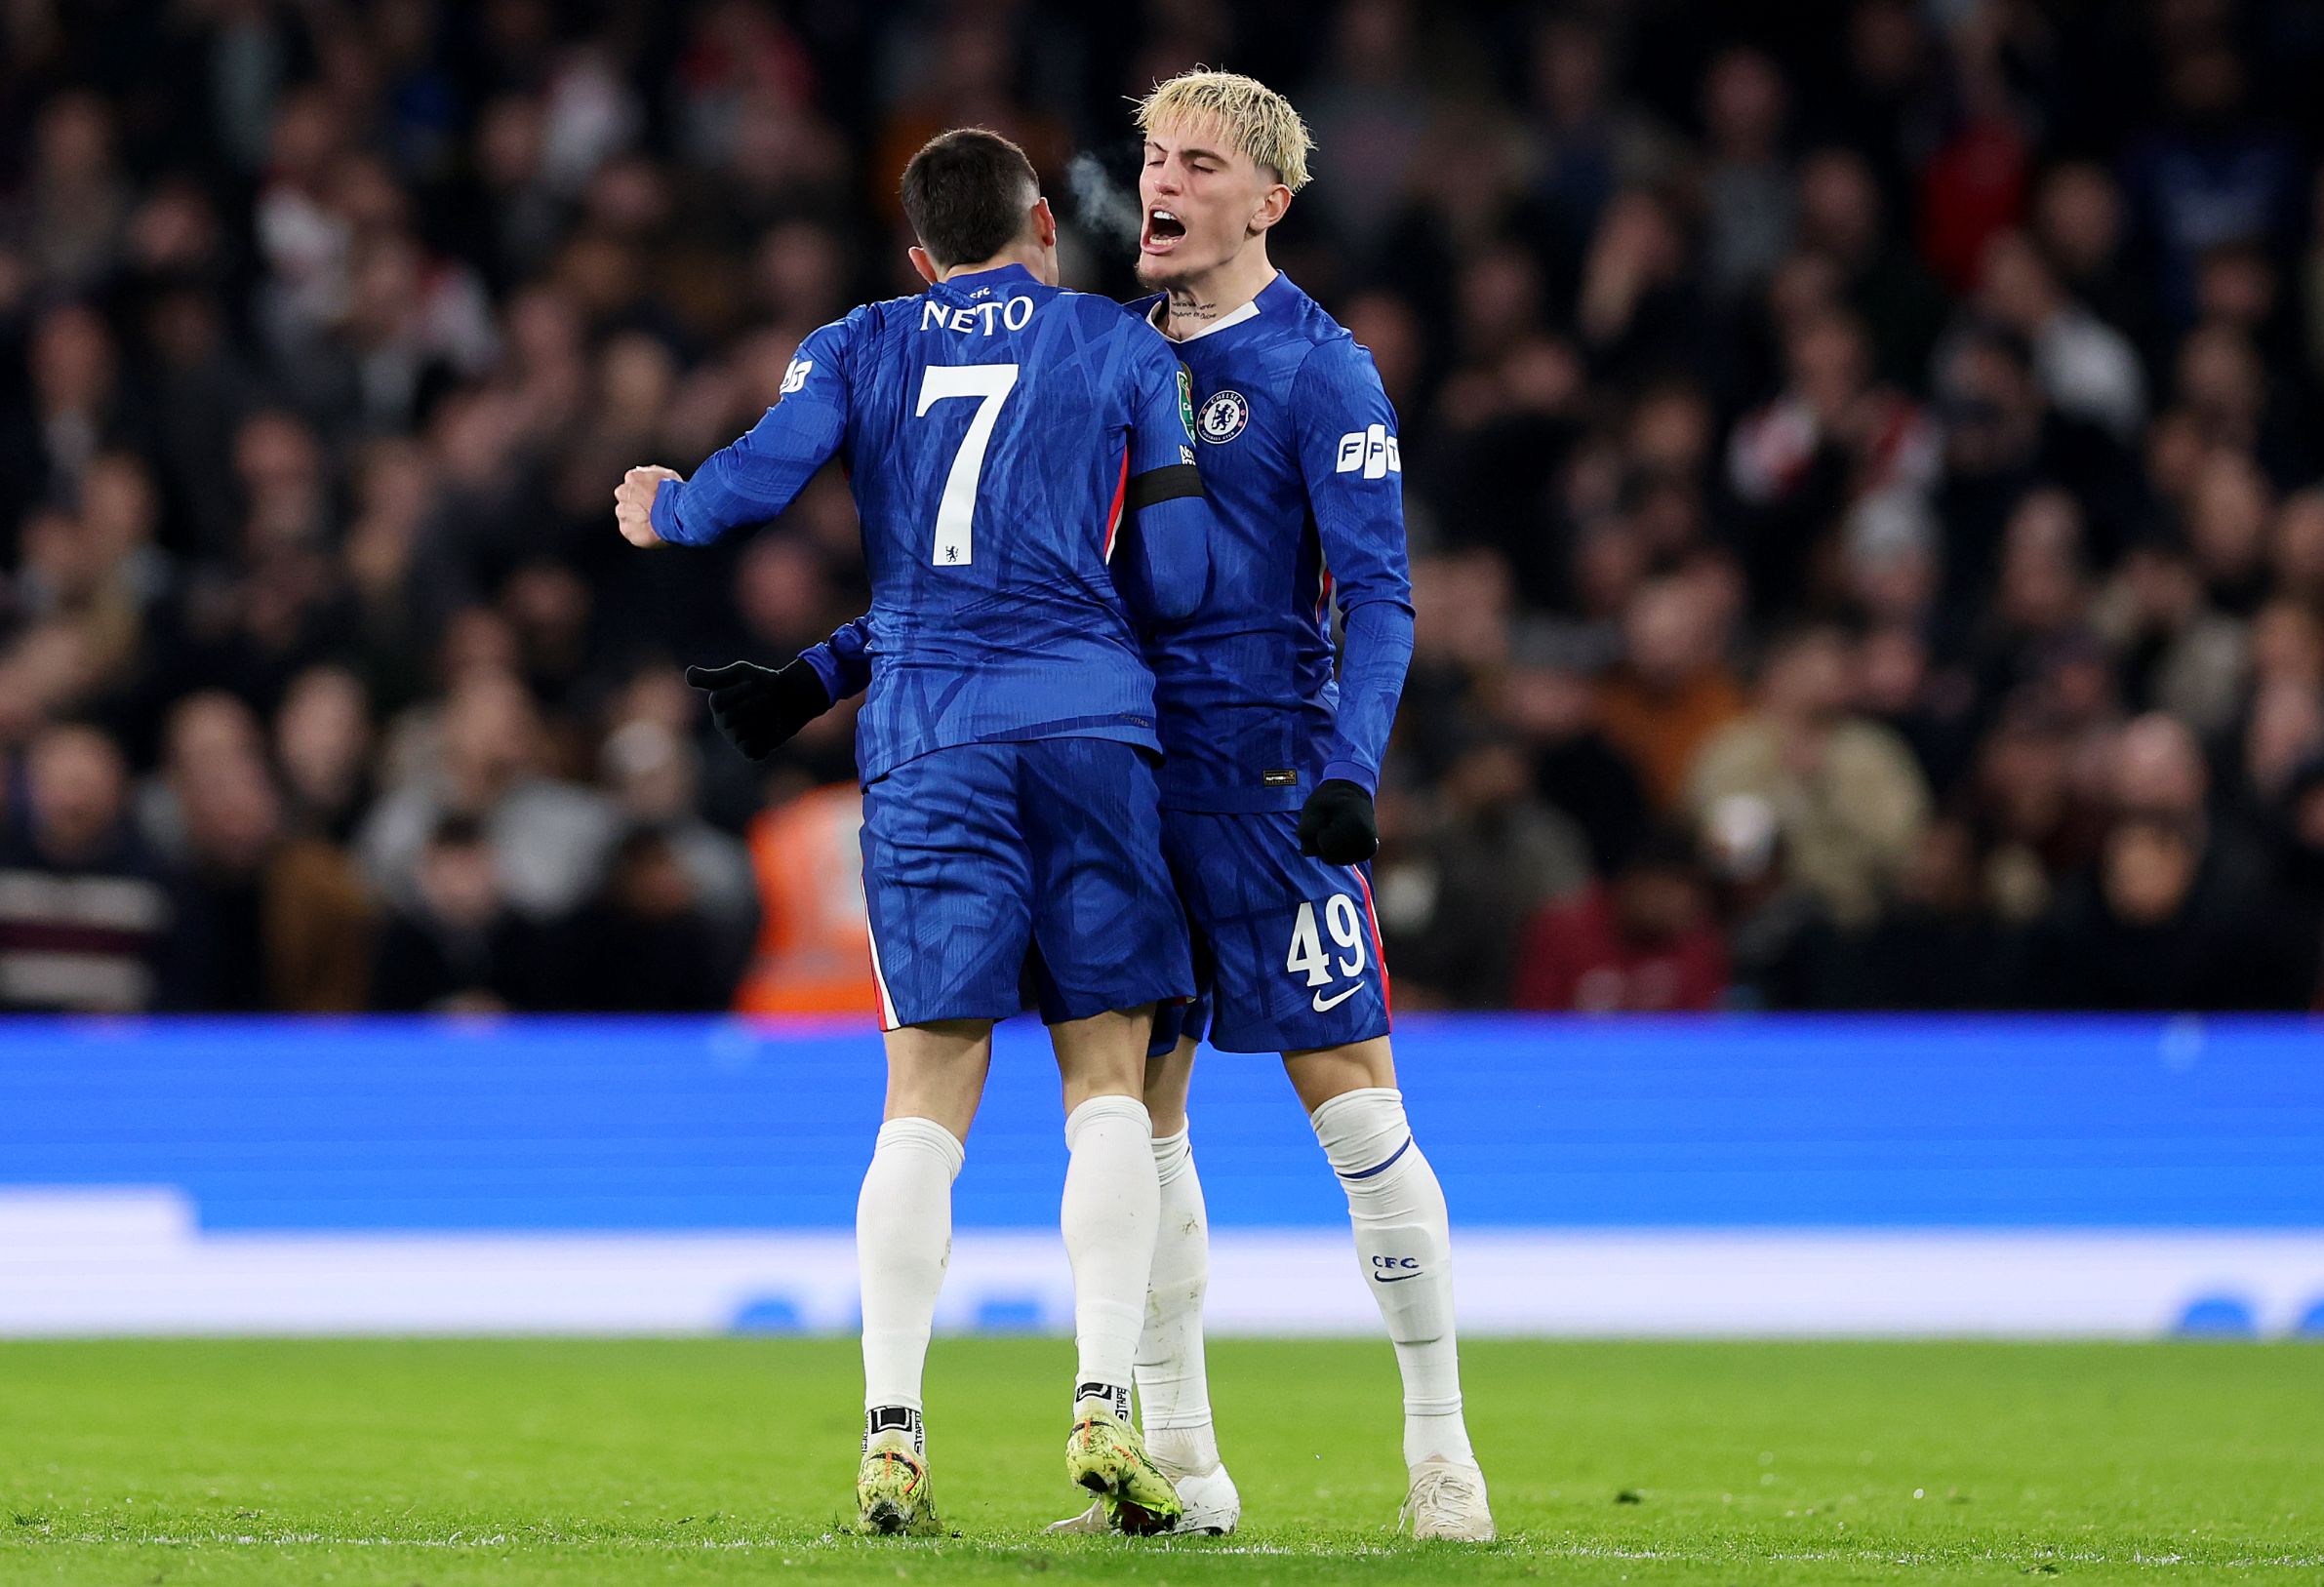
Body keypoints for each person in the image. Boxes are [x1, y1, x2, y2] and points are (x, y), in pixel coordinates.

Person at [699, 73, 1493, 1542]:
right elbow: (1001, 576)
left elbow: (1380, 599)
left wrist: (1349, 772)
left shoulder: (1323, 370)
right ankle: (1182, 1473)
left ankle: (1442, 1457)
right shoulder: (1100, 355)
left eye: (1198, 164)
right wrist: (822, 672)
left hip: (1263, 783)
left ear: (1270, 201)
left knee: (1355, 1111)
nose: (1165, 186)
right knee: (1146, 1114)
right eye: (1151, 160)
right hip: (1114, 771)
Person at [615, 128, 1217, 1537]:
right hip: (1087, 734)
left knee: (923, 1089)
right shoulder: (1124, 353)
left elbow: (754, 488)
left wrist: (671, 508)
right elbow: (1180, 578)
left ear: (917, 254)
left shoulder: (858, 342)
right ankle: (1102, 1404)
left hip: (928, 742)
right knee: (1111, 1080)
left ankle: (892, 1432)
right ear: (1041, 231)